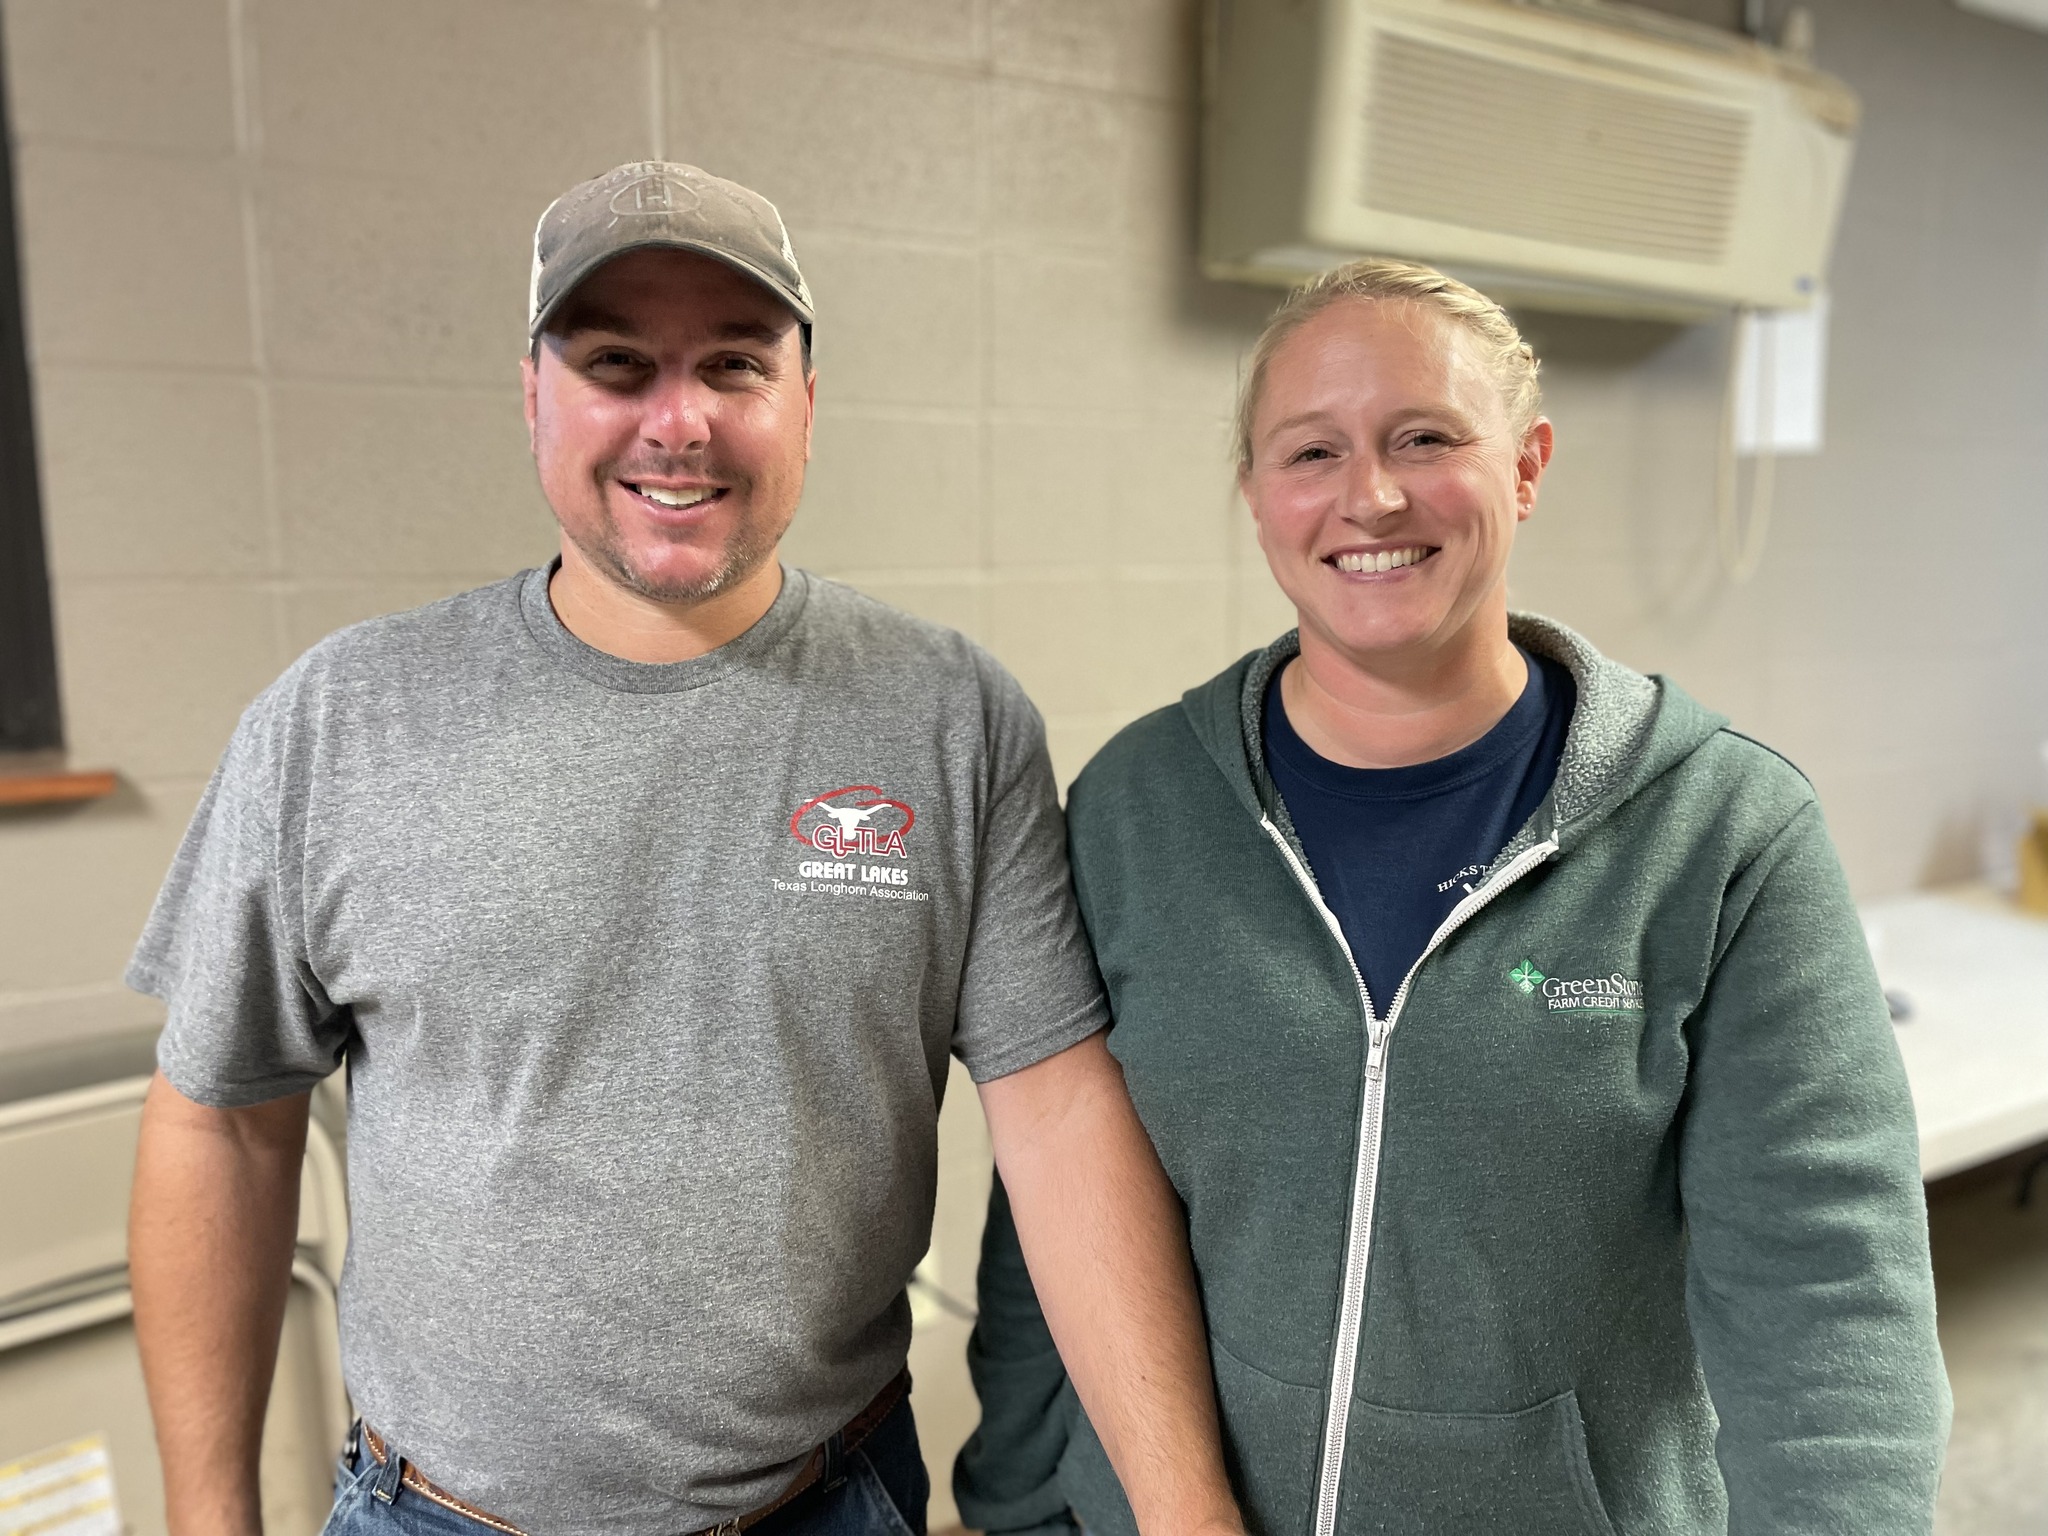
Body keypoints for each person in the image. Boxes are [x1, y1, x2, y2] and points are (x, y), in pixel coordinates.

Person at [125, 161, 1243, 1536]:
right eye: (616, 362)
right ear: (533, 393)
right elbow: (222, 1123)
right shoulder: (342, 718)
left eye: (734, 364)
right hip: (436, 1514)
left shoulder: (950, 718)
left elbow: (1060, 1117)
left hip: (827, 1503)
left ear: (808, 404)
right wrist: (205, 1516)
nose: (681, 420)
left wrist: (1190, 1513)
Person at [957, 259, 1950, 1536]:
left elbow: (1823, 1293)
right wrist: (1022, 1507)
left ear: (1527, 466)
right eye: (1309, 451)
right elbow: (1056, 1208)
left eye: (1423, 437)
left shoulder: (1722, 835)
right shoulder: (1136, 810)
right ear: (1256, 494)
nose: (1368, 496)